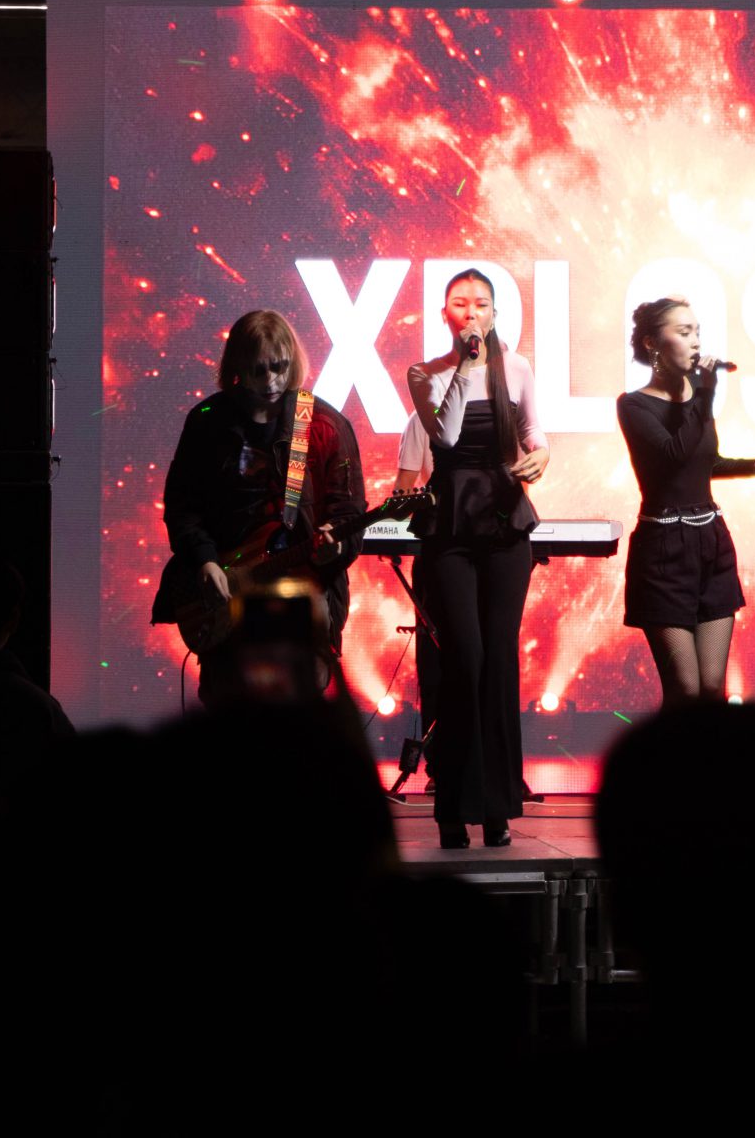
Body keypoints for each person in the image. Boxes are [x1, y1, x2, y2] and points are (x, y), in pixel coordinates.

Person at [394, 269, 550, 849]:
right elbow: (449, 437)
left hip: (505, 524)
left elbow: (534, 431)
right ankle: (453, 806)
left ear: (495, 314)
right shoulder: (424, 373)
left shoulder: (520, 369)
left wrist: (541, 455)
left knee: (499, 660)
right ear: (445, 315)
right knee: (465, 657)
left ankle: (497, 806)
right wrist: (465, 364)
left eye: (481, 304)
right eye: (460, 304)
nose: (471, 313)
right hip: (451, 527)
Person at [153, 309, 365, 706]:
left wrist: (337, 546)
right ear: (237, 367)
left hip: (302, 594)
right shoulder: (207, 423)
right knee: (231, 709)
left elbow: (349, 513)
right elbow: (182, 506)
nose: (271, 380)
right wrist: (204, 561)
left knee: (296, 706)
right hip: (228, 594)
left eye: (279, 367)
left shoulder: (322, 424)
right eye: (258, 370)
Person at [618, 297, 755, 706]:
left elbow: (704, 463)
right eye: (683, 332)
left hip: (712, 543)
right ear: (652, 342)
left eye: (697, 332)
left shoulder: (697, 398)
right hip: (663, 552)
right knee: (685, 691)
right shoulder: (634, 405)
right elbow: (673, 456)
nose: (695, 342)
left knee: (710, 691)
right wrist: (704, 397)